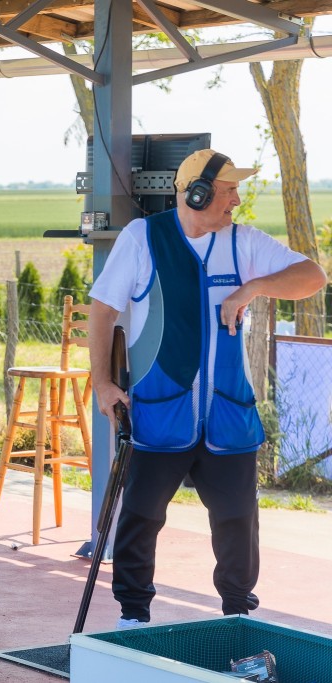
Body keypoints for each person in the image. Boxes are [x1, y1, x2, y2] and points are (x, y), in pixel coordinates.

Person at [88, 149, 327, 629]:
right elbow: (103, 311)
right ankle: (133, 616)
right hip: (159, 413)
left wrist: (251, 288)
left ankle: (236, 614)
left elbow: (313, 277)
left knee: (238, 519)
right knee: (140, 516)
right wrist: (103, 384)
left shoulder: (243, 242)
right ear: (196, 194)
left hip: (228, 415)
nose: (236, 200)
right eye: (228, 190)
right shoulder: (142, 238)